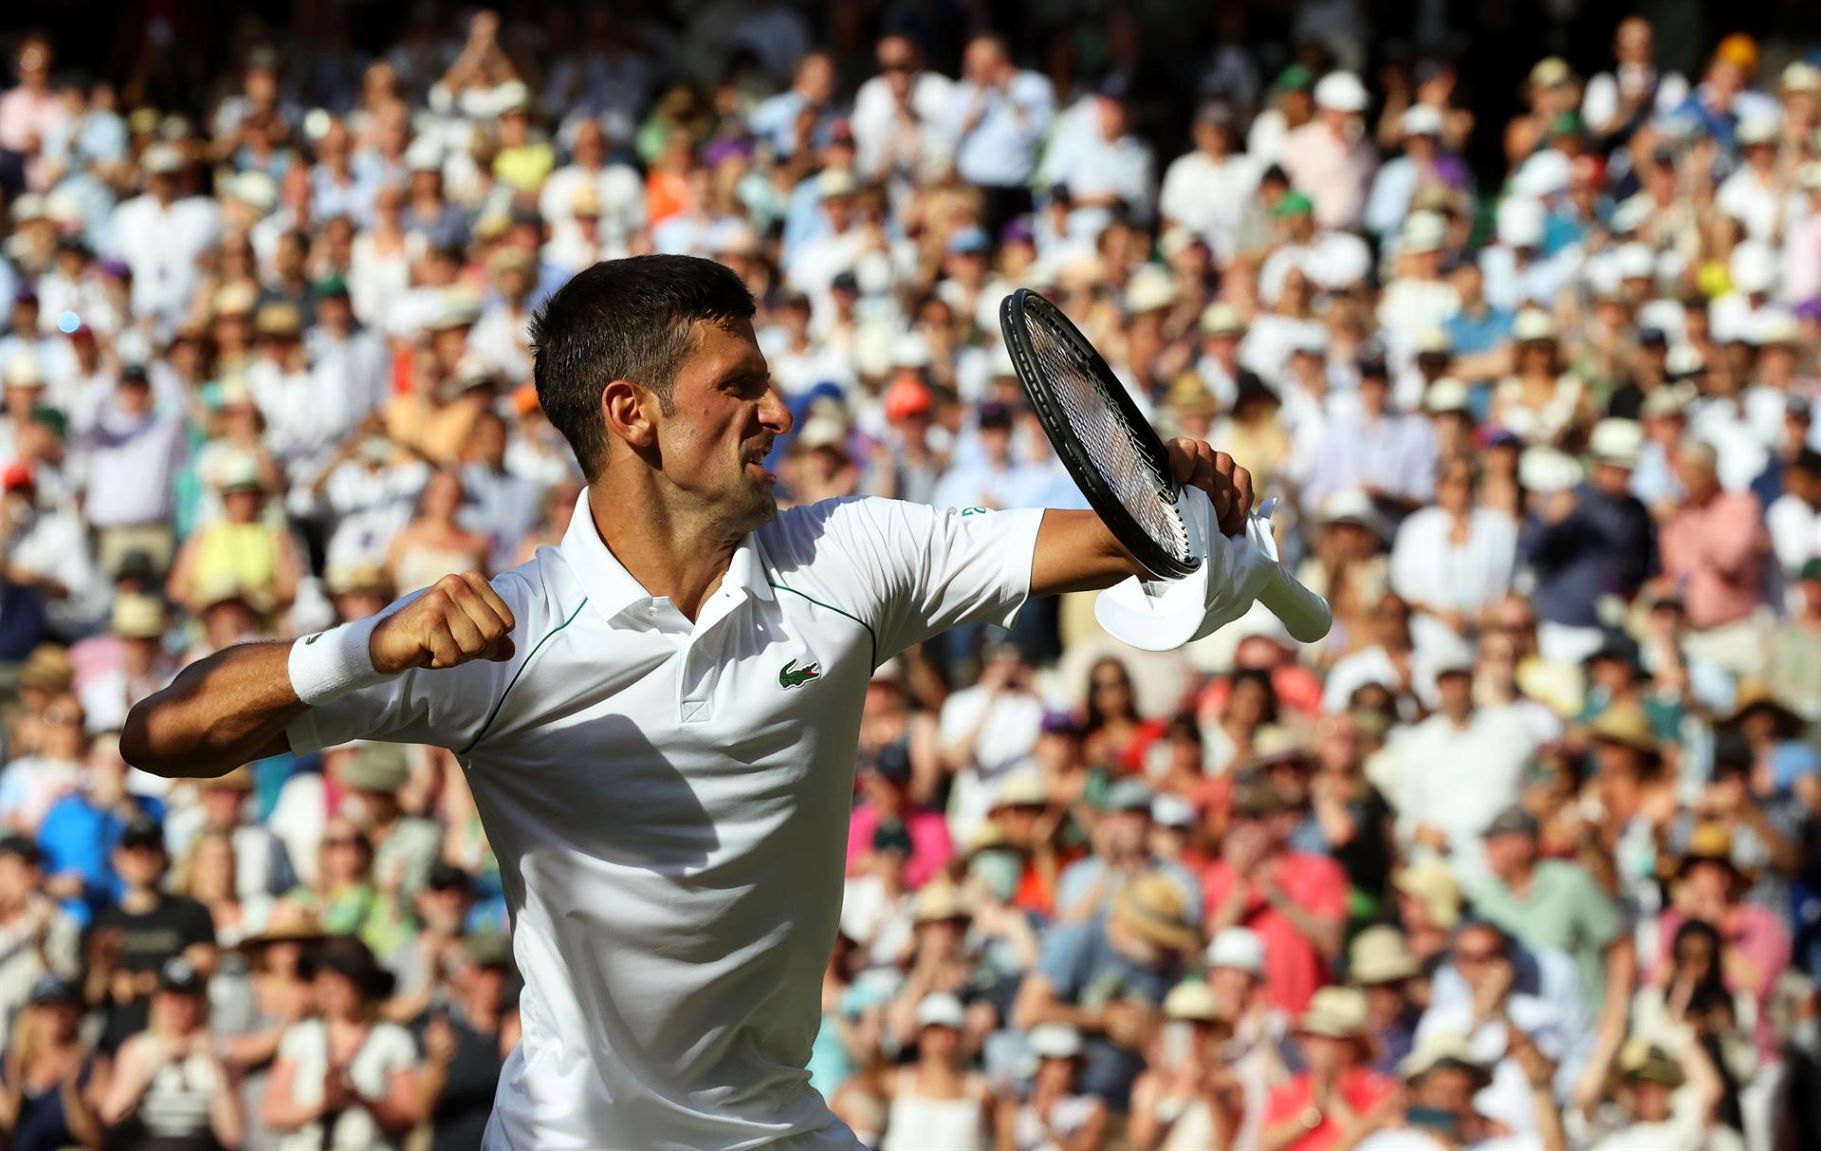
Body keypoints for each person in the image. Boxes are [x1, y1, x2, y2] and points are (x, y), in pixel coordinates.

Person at [123, 255, 1262, 1150]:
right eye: (741, 386)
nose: (776, 412)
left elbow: (1126, 542)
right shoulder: (499, 638)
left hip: (777, 1127)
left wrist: (1175, 497)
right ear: (632, 412)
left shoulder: (854, 554)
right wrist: (363, 647)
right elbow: (165, 732)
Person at [263, 937, 419, 1151]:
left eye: (339, 980)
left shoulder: (392, 1039)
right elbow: (273, 1111)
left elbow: (408, 1117)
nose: (330, 988)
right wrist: (324, 1104)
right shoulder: (301, 1036)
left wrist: (361, 1099)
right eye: (323, 979)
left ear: (362, 984)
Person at [97, 958, 244, 1151]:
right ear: (156, 1002)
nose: (177, 1008)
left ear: (199, 1004)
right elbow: (111, 1114)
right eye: (170, 999)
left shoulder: (218, 1050)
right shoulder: (138, 1048)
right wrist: (153, 1063)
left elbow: (232, 1136)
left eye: (185, 1001)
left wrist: (215, 1068)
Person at [1259, 986, 1400, 1151]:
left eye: (1323, 1038)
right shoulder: (1291, 1088)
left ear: (1349, 1046)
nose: (1312, 1045)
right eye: (1310, 1036)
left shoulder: (1381, 1089)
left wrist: (1333, 1101)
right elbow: (1263, 1144)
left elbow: (1372, 1143)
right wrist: (1312, 1114)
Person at [0, 975, 101, 1151]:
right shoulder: (9, 1062)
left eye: (63, 1006)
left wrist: (71, 1091)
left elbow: (95, 1140)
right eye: (45, 1008)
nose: (56, 1015)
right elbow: (7, 1125)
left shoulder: (91, 1064)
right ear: (29, 1014)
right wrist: (15, 1086)